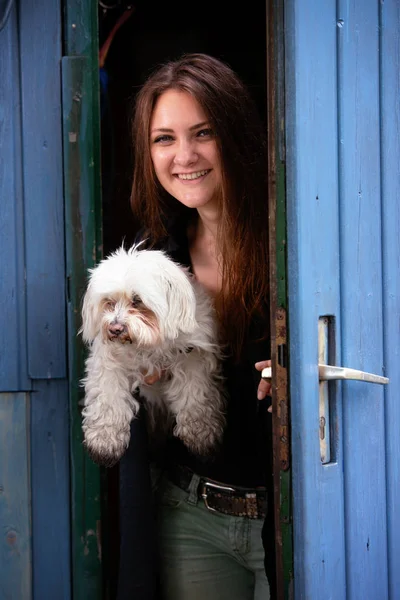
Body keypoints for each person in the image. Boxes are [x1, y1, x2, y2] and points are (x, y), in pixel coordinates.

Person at [117, 53, 274, 600]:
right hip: (192, 517)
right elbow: (145, 421)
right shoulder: (151, 260)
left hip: (300, 512)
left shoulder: (300, 241)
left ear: (233, 132)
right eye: (164, 139)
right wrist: (150, 385)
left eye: (202, 132)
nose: (184, 156)